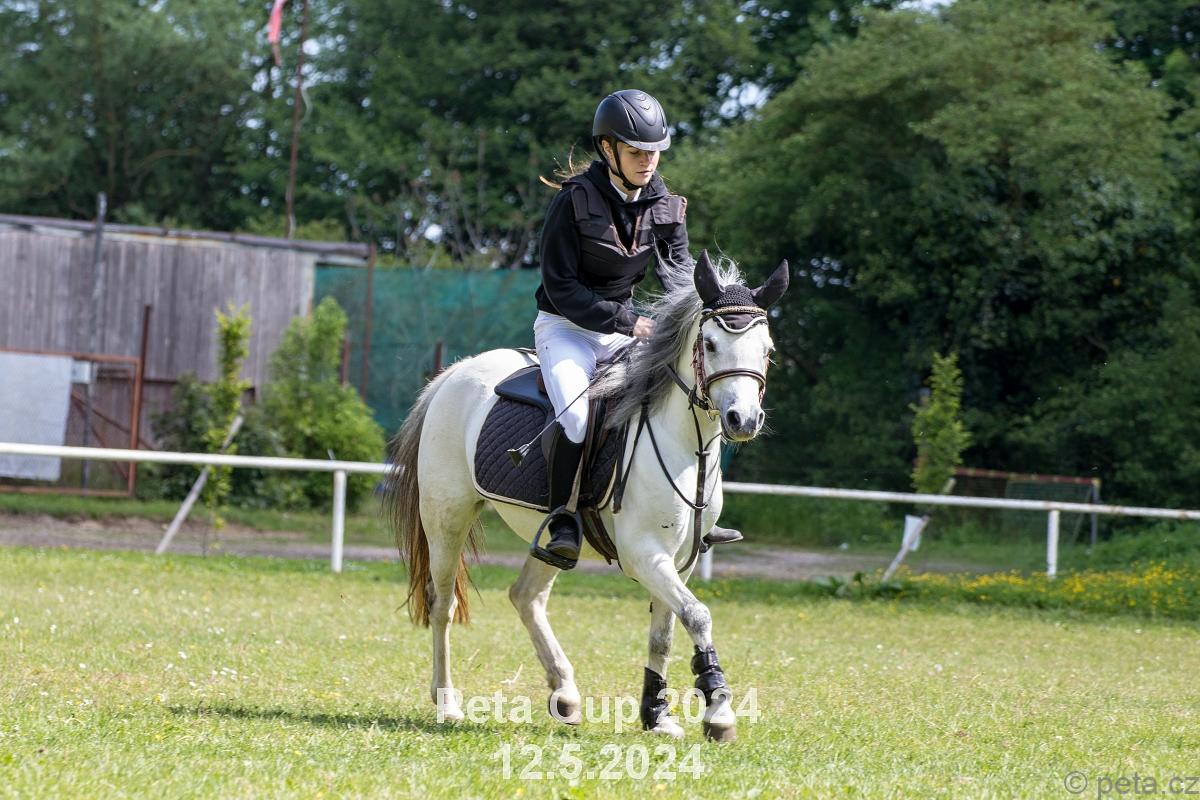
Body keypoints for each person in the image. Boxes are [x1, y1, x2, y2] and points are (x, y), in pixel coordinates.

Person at [530, 88, 741, 570]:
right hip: (565, 329)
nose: (648, 162)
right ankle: (562, 518)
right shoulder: (572, 202)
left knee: (685, 397)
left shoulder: (665, 205)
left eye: (654, 152)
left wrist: (713, 303)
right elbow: (561, 287)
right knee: (577, 418)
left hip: (626, 332)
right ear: (608, 150)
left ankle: (701, 514)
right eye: (636, 152)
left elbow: (679, 273)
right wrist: (629, 321)